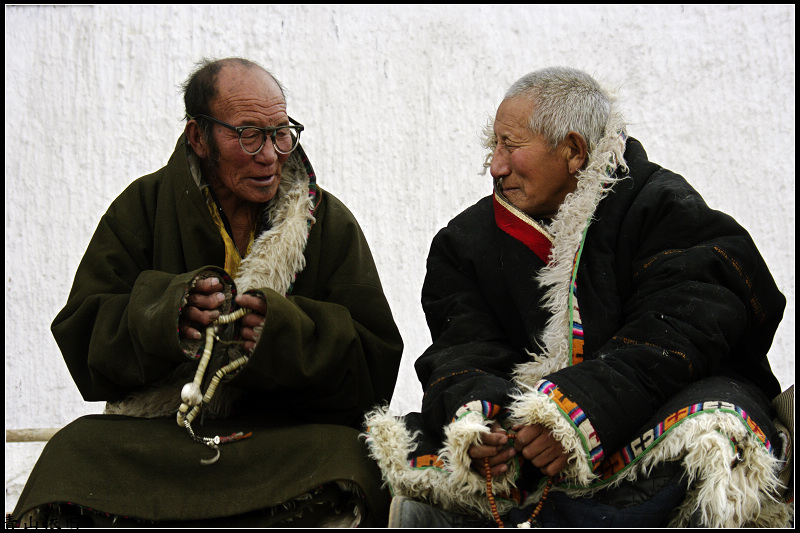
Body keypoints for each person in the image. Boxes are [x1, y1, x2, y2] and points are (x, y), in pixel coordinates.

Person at [365, 67, 793, 528]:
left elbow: (684, 325)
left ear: (573, 151)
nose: (496, 165)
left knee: (713, 429)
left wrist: (577, 410)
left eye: (511, 145)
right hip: (530, 440)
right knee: (415, 466)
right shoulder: (464, 243)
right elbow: (463, 350)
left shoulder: (660, 206)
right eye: (494, 145)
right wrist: (485, 424)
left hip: (641, 414)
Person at [12, 57, 403, 527]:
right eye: (249, 134)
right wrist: (166, 316)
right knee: (69, 456)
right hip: (167, 435)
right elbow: (83, 330)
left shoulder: (325, 221)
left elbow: (376, 363)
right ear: (198, 137)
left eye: (282, 131)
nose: (271, 154)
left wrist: (281, 336)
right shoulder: (143, 207)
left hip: (281, 438)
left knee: (349, 460)